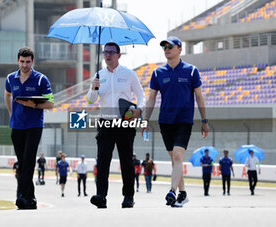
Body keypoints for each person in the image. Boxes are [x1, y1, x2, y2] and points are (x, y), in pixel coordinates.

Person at [142, 36, 209, 207]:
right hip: (165, 121)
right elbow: (151, 99)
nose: (166, 49)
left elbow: (199, 97)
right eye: (164, 47)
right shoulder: (158, 73)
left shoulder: (192, 71)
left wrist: (204, 120)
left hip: (184, 121)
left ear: (180, 49)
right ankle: (183, 193)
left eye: (170, 46)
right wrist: (145, 120)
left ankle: (172, 191)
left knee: (178, 156)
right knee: (174, 160)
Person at [86, 42, 145, 208]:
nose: (108, 55)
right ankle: (101, 196)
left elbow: (141, 95)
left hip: (124, 122)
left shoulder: (129, 74)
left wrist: (139, 110)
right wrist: (94, 88)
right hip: (105, 122)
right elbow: (90, 100)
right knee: (103, 160)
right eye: (105, 52)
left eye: (112, 52)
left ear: (119, 55)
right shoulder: (98, 75)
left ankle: (128, 196)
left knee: (126, 161)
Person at [4, 46, 54, 209]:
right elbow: (7, 95)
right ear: (17, 61)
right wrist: (11, 113)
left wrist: (33, 105)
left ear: (33, 61)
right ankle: (30, 199)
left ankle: (20, 196)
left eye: (28, 62)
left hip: (34, 125)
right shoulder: (10, 78)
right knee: (22, 163)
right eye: (22, 61)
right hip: (16, 126)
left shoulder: (41, 79)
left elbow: (51, 104)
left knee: (28, 161)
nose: (25, 65)